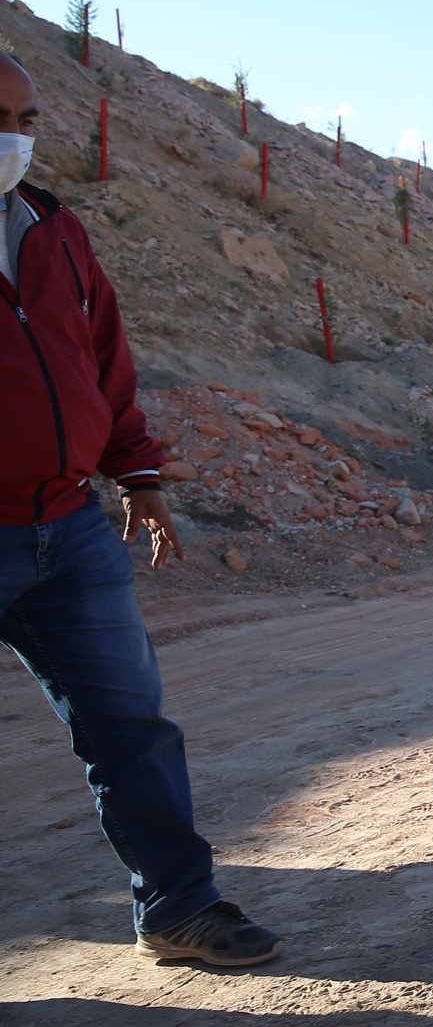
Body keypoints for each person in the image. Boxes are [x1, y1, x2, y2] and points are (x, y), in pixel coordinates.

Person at [0, 52, 282, 965]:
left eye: (28, 118)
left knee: (132, 727)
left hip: (70, 528)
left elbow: (102, 363)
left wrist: (141, 477)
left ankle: (179, 909)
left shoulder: (51, 226)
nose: (14, 135)